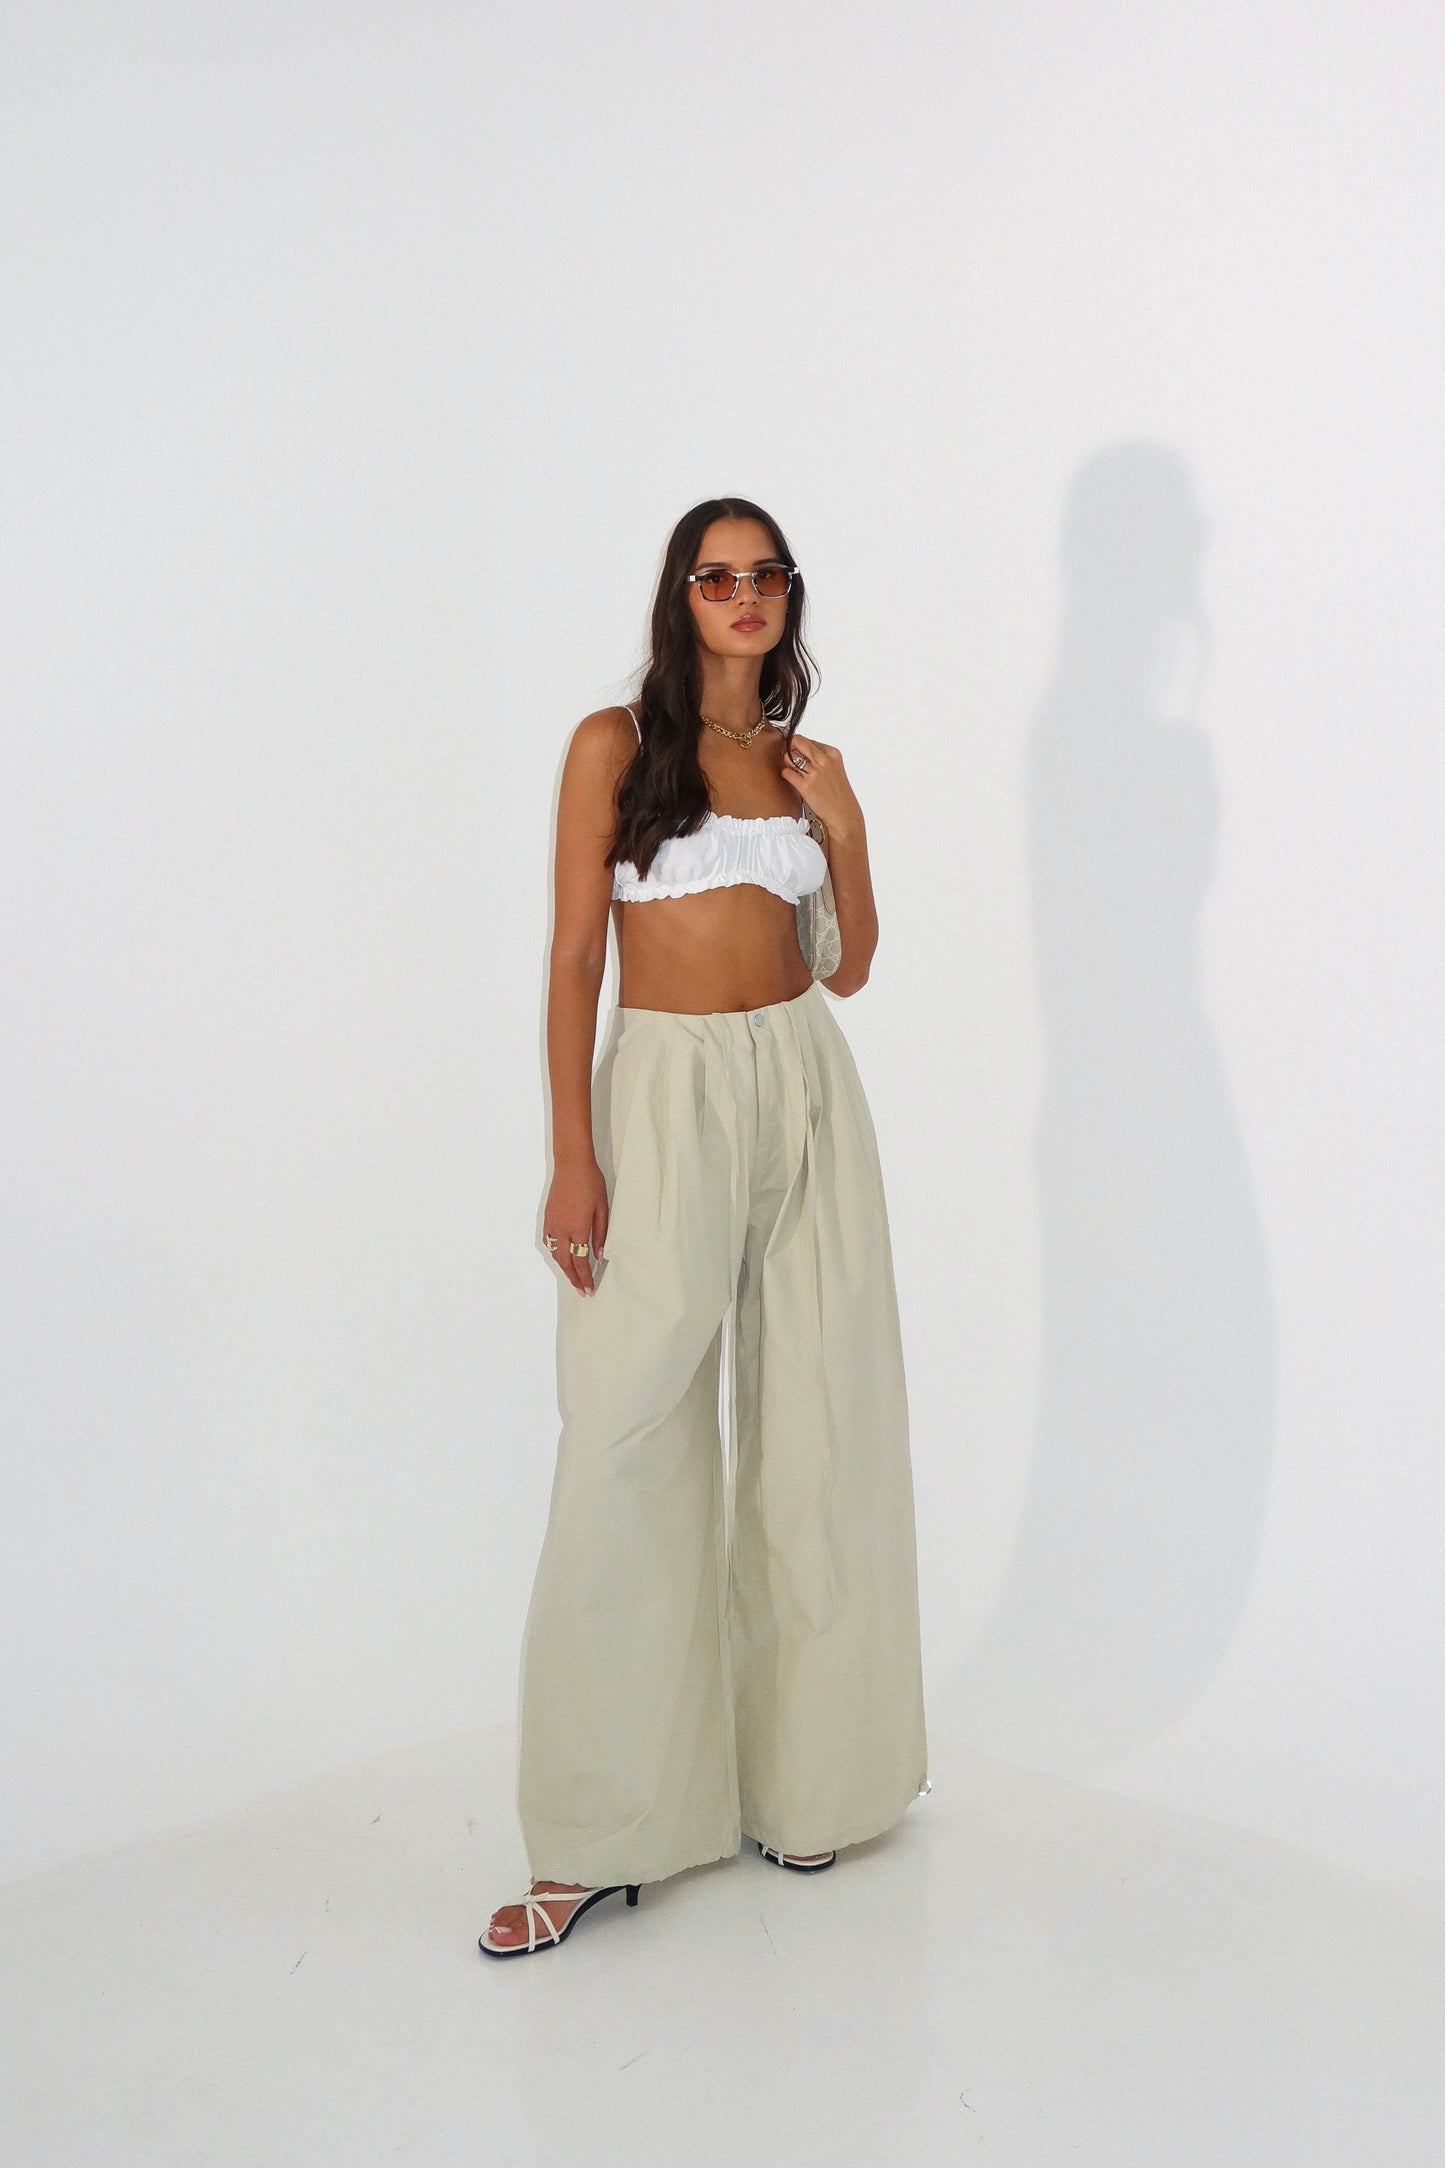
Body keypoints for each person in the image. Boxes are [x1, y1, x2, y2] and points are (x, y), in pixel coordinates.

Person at [480, 496, 928, 1959]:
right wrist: (573, 1156)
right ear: (680, 596)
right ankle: (594, 1834)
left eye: (764, 575)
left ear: (789, 596)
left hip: (804, 1080)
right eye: (715, 576)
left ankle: (813, 1782)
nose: (743, 596)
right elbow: (571, 958)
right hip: (665, 1095)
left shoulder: (798, 763)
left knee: (818, 1426)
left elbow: (849, 967)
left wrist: (844, 824)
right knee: (624, 1439)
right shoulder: (615, 746)